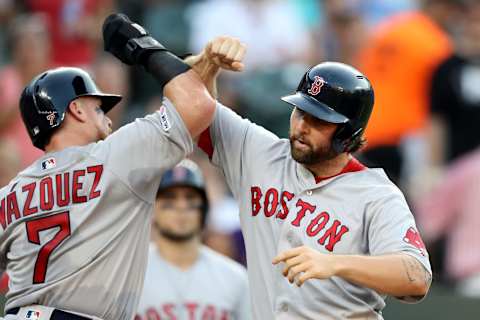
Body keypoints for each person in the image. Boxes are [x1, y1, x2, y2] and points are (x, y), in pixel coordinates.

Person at [0, 14, 244, 320]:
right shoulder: (114, 157)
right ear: (76, 108)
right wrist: (142, 47)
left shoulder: (9, 193)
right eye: (99, 108)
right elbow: (197, 105)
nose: (109, 118)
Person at [188, 47, 432, 318]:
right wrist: (207, 66)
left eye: (319, 121)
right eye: (300, 112)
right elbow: (191, 106)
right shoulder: (259, 153)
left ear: (348, 133)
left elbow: (416, 276)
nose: (302, 126)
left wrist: (335, 264)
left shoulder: (377, 195)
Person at [135, 160, 250, 320]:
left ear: (204, 209)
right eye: (170, 198)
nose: (181, 206)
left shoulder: (236, 278)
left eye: (190, 198)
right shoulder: (130, 275)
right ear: (152, 208)